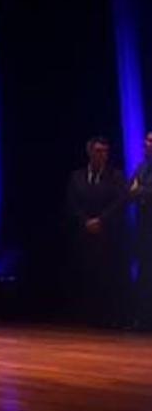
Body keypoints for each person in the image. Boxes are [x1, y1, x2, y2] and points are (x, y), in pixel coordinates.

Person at [66, 136, 128, 327]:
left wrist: (101, 220)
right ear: (90, 152)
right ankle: (84, 316)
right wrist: (86, 221)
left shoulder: (116, 176)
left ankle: (107, 318)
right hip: (83, 235)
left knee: (106, 278)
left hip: (108, 236)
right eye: (98, 151)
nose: (102, 155)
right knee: (84, 277)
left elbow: (119, 202)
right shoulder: (76, 176)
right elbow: (71, 203)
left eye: (105, 151)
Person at [131, 130, 152, 329]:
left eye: (151, 141)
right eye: (146, 140)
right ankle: (144, 318)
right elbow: (130, 190)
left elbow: (138, 190)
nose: (148, 143)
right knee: (145, 272)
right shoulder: (142, 167)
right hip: (144, 229)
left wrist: (141, 191)